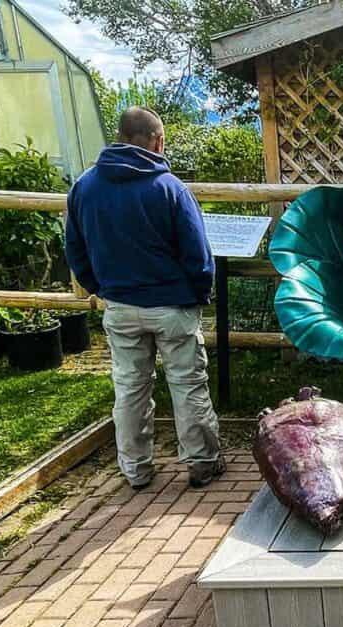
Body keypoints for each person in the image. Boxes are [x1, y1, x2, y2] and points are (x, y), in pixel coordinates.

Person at [65, 106, 223, 489]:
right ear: (157, 140)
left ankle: (135, 469)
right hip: (172, 306)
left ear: (120, 136)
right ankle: (202, 463)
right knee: (187, 386)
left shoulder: (84, 188)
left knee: (130, 389)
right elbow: (197, 254)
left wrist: (101, 288)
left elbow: (75, 250)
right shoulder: (170, 188)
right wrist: (199, 294)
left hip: (119, 306)